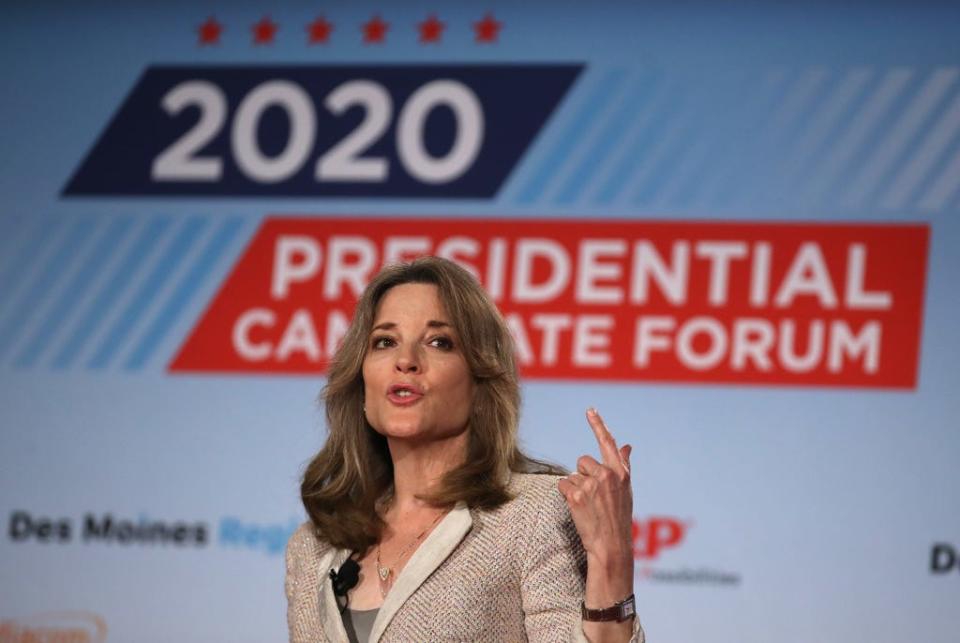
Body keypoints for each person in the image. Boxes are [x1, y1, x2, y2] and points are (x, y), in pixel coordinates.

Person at [285, 256, 644, 642]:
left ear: (479, 382)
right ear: (361, 382)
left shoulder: (534, 515)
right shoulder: (314, 548)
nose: (405, 361)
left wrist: (612, 562)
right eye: (384, 342)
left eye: (439, 342)